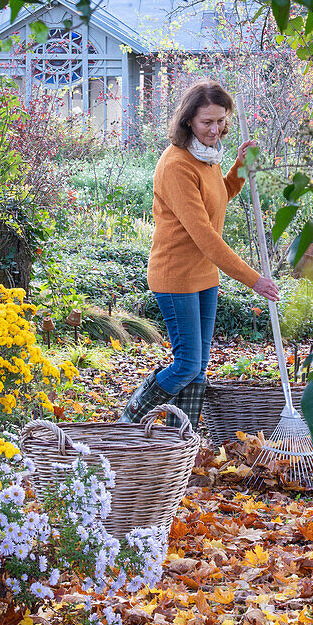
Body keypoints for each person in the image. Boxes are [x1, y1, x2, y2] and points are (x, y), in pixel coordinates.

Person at [119, 81, 279, 428]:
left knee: (199, 367)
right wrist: (255, 280)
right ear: (188, 120)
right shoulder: (177, 165)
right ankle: (130, 418)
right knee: (187, 364)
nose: (215, 129)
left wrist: (238, 167)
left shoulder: (207, 157)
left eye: (221, 120)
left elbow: (218, 196)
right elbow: (205, 236)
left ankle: (180, 439)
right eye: (207, 122)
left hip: (205, 277)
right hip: (176, 277)